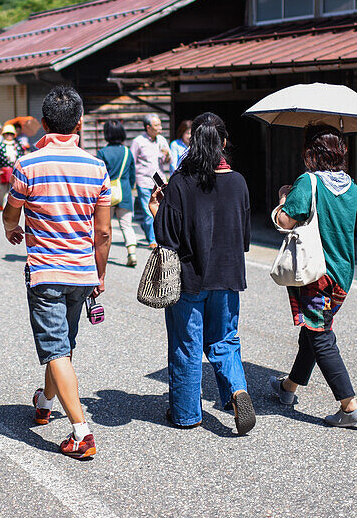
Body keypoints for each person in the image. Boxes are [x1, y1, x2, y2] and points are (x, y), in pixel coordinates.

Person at [2, 86, 112, 460]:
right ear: (79, 123)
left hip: (46, 272)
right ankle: (46, 400)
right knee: (61, 348)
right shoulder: (97, 167)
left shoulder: (27, 164)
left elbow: (10, 212)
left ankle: (81, 433)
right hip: (82, 273)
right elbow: (104, 232)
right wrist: (99, 274)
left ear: (44, 124)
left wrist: (10, 229)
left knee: (55, 350)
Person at [149, 112, 254, 434]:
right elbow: (245, 237)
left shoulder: (181, 182)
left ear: (192, 142)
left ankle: (185, 413)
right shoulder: (237, 181)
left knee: (187, 344)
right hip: (228, 275)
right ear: (223, 142)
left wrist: (157, 209)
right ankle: (236, 390)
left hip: (189, 278)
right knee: (225, 339)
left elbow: (167, 237)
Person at [270, 123, 357, 429]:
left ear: (313, 153)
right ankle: (288, 389)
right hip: (343, 274)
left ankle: (349, 406)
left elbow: (285, 220)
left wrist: (285, 198)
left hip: (317, 274)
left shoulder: (308, 182)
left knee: (320, 337)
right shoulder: (353, 187)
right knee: (311, 331)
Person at [96, 120, 138, 267]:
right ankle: (132, 253)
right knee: (126, 225)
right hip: (125, 192)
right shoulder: (127, 152)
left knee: (105, 227)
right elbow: (133, 175)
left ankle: (102, 257)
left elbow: (98, 175)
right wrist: (130, 187)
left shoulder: (102, 153)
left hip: (107, 194)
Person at [131, 113, 171, 249]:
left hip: (159, 181)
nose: (160, 128)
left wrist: (166, 156)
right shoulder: (138, 141)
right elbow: (132, 160)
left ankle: (157, 235)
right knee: (148, 211)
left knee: (162, 208)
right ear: (148, 127)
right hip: (144, 180)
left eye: (160, 124)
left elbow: (168, 160)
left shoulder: (162, 140)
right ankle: (153, 240)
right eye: (156, 125)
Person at [0, 123, 25, 210]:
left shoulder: (18, 145)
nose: (9, 136)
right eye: (7, 134)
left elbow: (22, 156)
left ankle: (11, 207)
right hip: (3, 171)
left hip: (15, 171)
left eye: (11, 134)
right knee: (2, 190)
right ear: (4, 134)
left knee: (13, 190)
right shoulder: (0, 146)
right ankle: (0, 203)